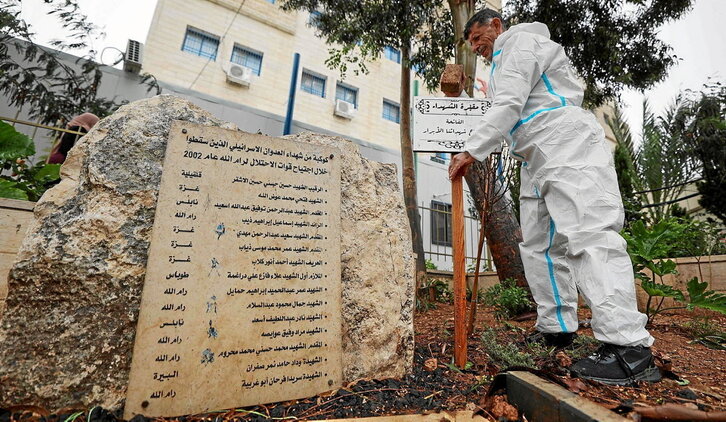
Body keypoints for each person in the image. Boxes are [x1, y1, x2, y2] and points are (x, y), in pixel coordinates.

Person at [448, 9, 660, 386]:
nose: (479, 49)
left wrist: (471, 151)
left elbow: (509, 105)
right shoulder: (499, 64)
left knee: (589, 234)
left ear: (496, 26)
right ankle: (557, 327)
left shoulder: (520, 43)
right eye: (473, 46)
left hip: (565, 141)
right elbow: (506, 111)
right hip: (533, 154)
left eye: (480, 40)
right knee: (539, 245)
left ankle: (629, 349)